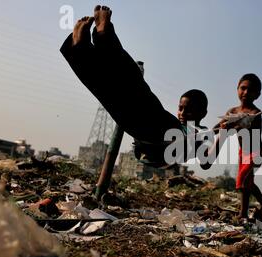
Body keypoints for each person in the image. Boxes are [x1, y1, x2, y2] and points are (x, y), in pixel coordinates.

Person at [60, 6, 208, 167]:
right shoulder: (176, 124)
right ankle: (86, 45)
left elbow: (206, 161)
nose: (182, 113)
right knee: (117, 91)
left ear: (202, 113)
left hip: (158, 137)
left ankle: (91, 43)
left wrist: (224, 134)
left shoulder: (200, 135)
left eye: (189, 110)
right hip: (146, 130)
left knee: (132, 89)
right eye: (181, 108)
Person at [205, 74, 262, 221]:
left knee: (242, 181)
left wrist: (233, 125)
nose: (246, 93)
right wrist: (213, 131)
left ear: (258, 95)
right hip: (243, 152)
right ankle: (260, 206)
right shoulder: (233, 111)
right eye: (243, 88)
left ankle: (245, 212)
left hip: (255, 153)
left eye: (251, 90)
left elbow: (244, 128)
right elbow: (219, 126)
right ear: (237, 89)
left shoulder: (255, 114)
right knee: (248, 182)